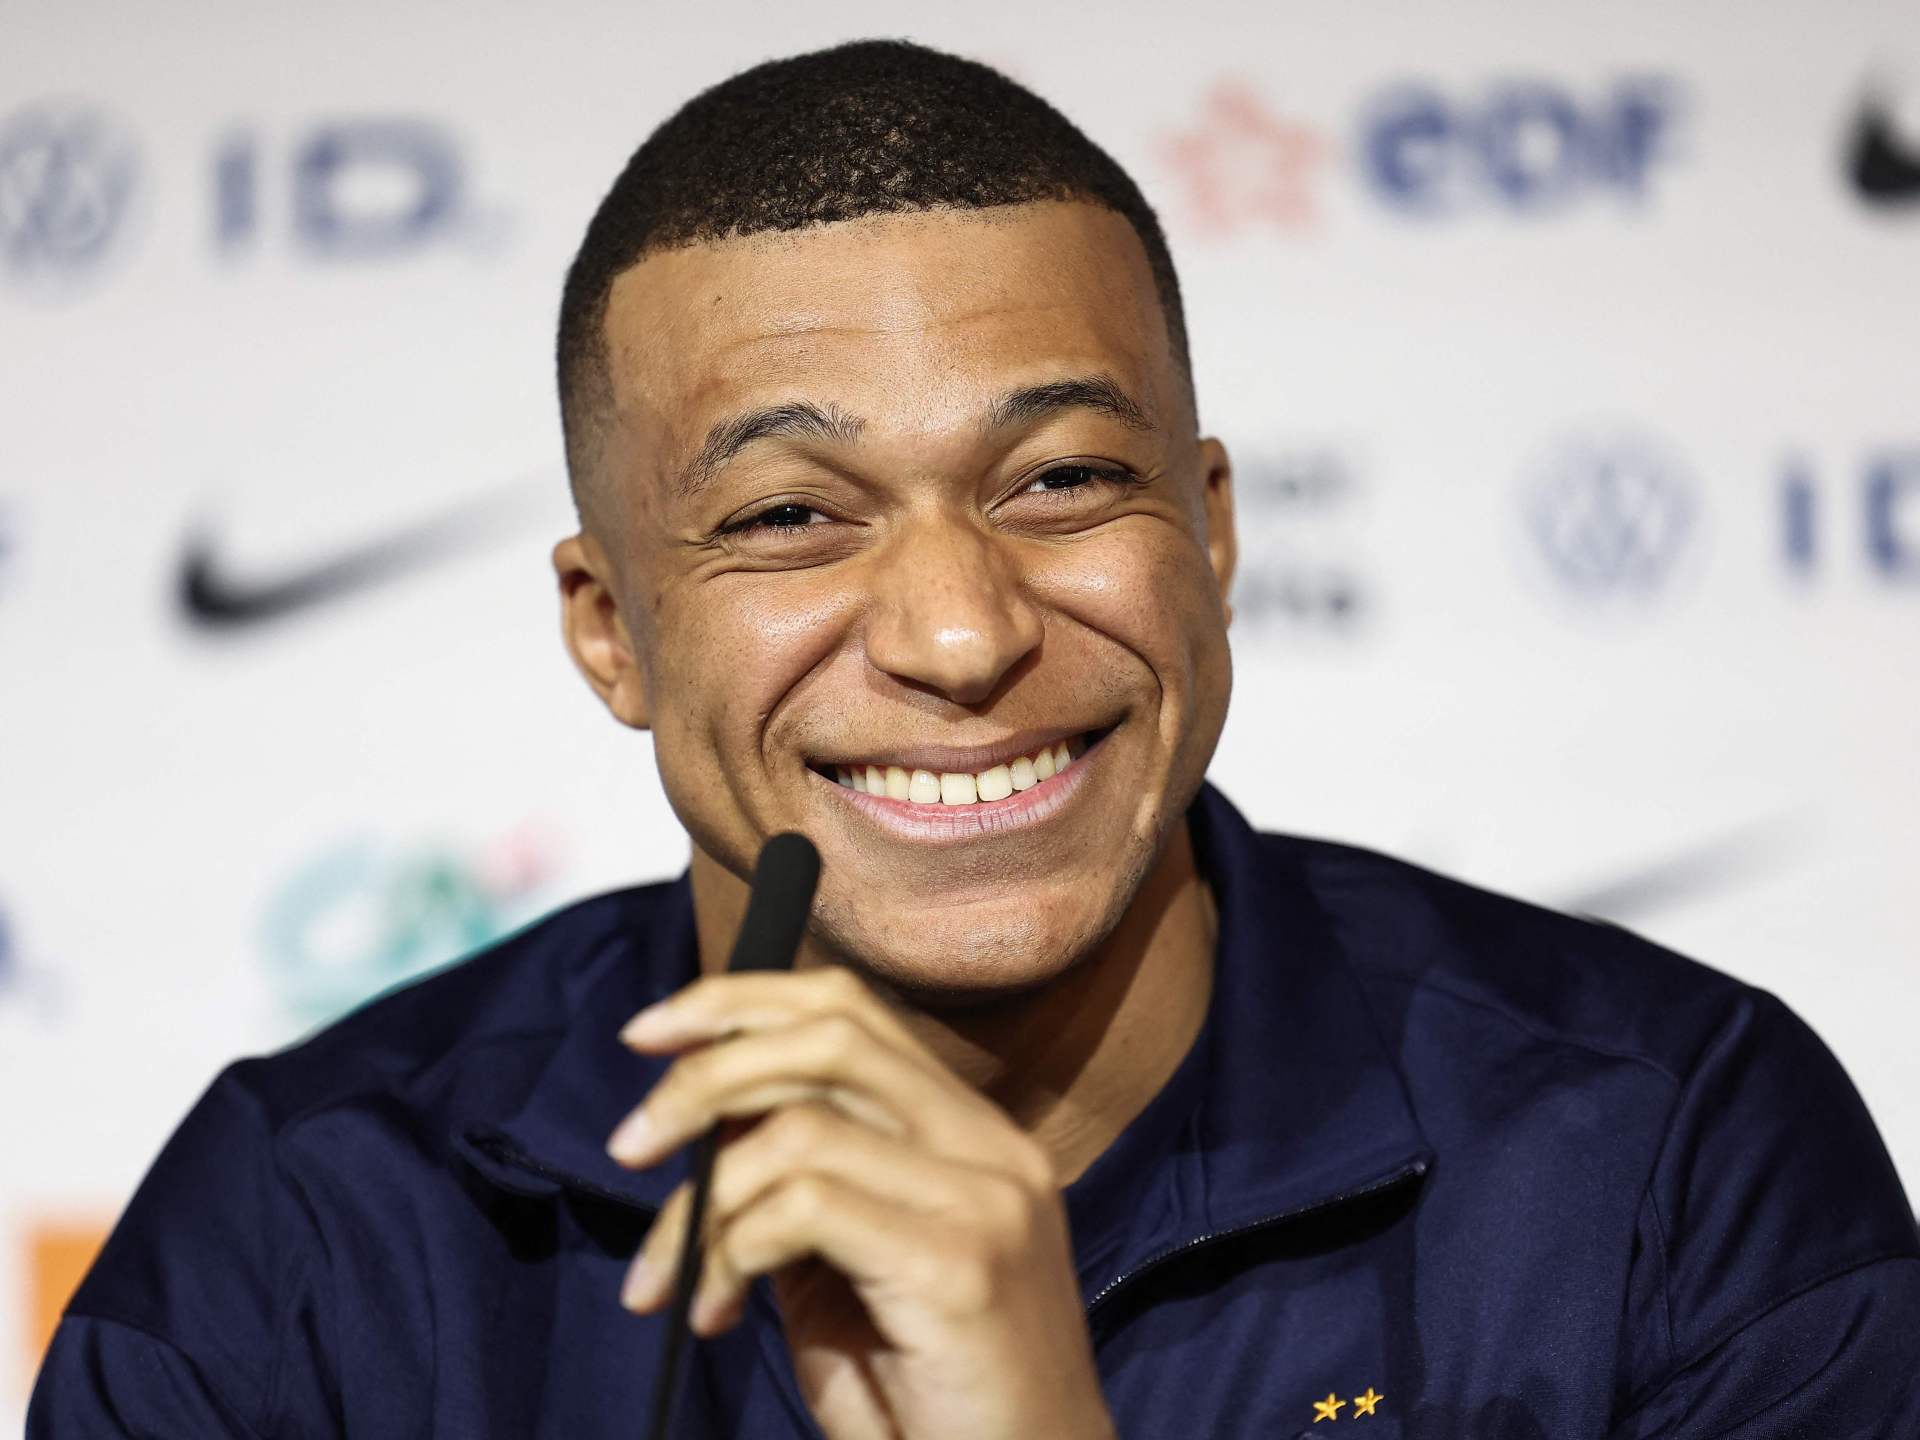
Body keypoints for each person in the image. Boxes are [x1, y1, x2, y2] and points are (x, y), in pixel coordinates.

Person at [30, 38, 1919, 1440]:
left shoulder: (1663, 1161)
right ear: (611, 631)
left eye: (1064, 479)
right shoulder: (310, 1242)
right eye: (792, 515)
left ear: (1213, 539)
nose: (960, 633)